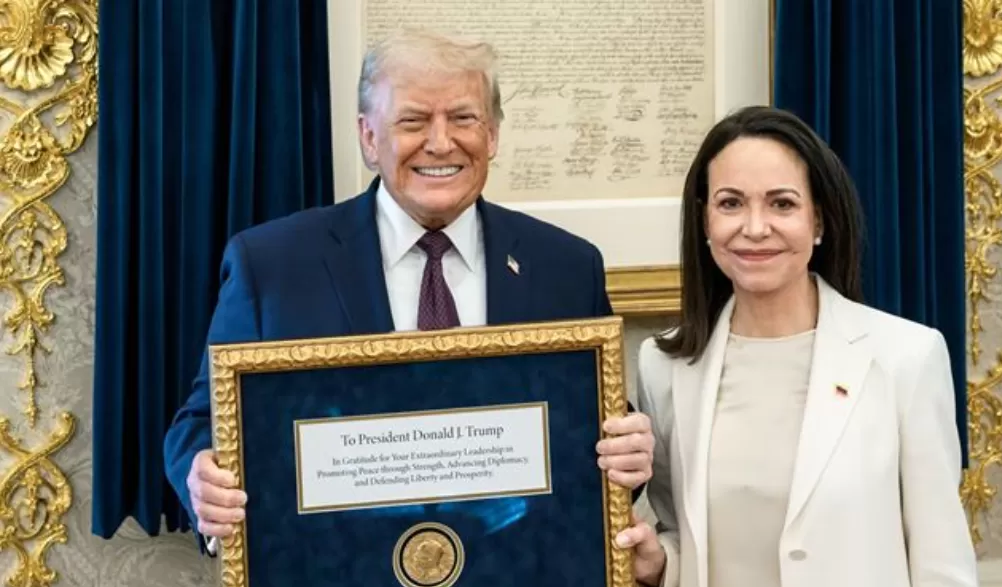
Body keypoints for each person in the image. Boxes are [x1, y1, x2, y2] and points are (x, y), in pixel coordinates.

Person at [164, 28, 654, 546]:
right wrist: (202, 476)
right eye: (413, 121)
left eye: (463, 118)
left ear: (492, 135)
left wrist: (631, 452)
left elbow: (597, 429)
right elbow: (202, 423)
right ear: (370, 138)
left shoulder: (567, 267)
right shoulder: (272, 267)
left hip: (519, 585)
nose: (441, 142)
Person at [616, 105, 999, 587]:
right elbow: (692, 537)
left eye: (782, 204)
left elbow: (947, 586)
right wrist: (659, 564)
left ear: (818, 220)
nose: (755, 227)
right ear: (704, 221)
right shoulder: (666, 366)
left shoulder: (904, 358)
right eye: (731, 203)